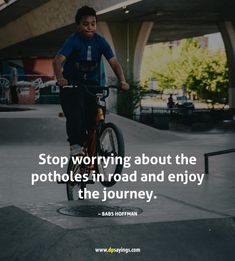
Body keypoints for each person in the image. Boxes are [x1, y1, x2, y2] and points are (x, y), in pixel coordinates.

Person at [53, 5, 129, 156]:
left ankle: (98, 143)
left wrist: (123, 80)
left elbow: (114, 62)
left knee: (97, 112)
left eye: (93, 24)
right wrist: (61, 78)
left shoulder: (100, 42)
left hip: (92, 85)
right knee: (77, 114)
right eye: (85, 24)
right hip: (72, 85)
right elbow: (57, 61)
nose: (90, 27)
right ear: (78, 25)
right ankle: (76, 145)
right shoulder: (73, 41)